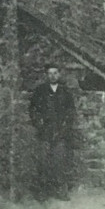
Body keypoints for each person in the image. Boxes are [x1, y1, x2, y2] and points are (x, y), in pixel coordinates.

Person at [28, 64, 77, 200]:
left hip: (60, 132)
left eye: (55, 73)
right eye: (50, 73)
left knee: (60, 161)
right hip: (44, 131)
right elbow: (33, 110)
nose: (53, 76)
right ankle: (43, 192)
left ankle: (61, 191)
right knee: (43, 161)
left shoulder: (65, 92)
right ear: (46, 75)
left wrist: (65, 127)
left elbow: (71, 112)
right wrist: (39, 123)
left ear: (59, 74)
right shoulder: (40, 91)